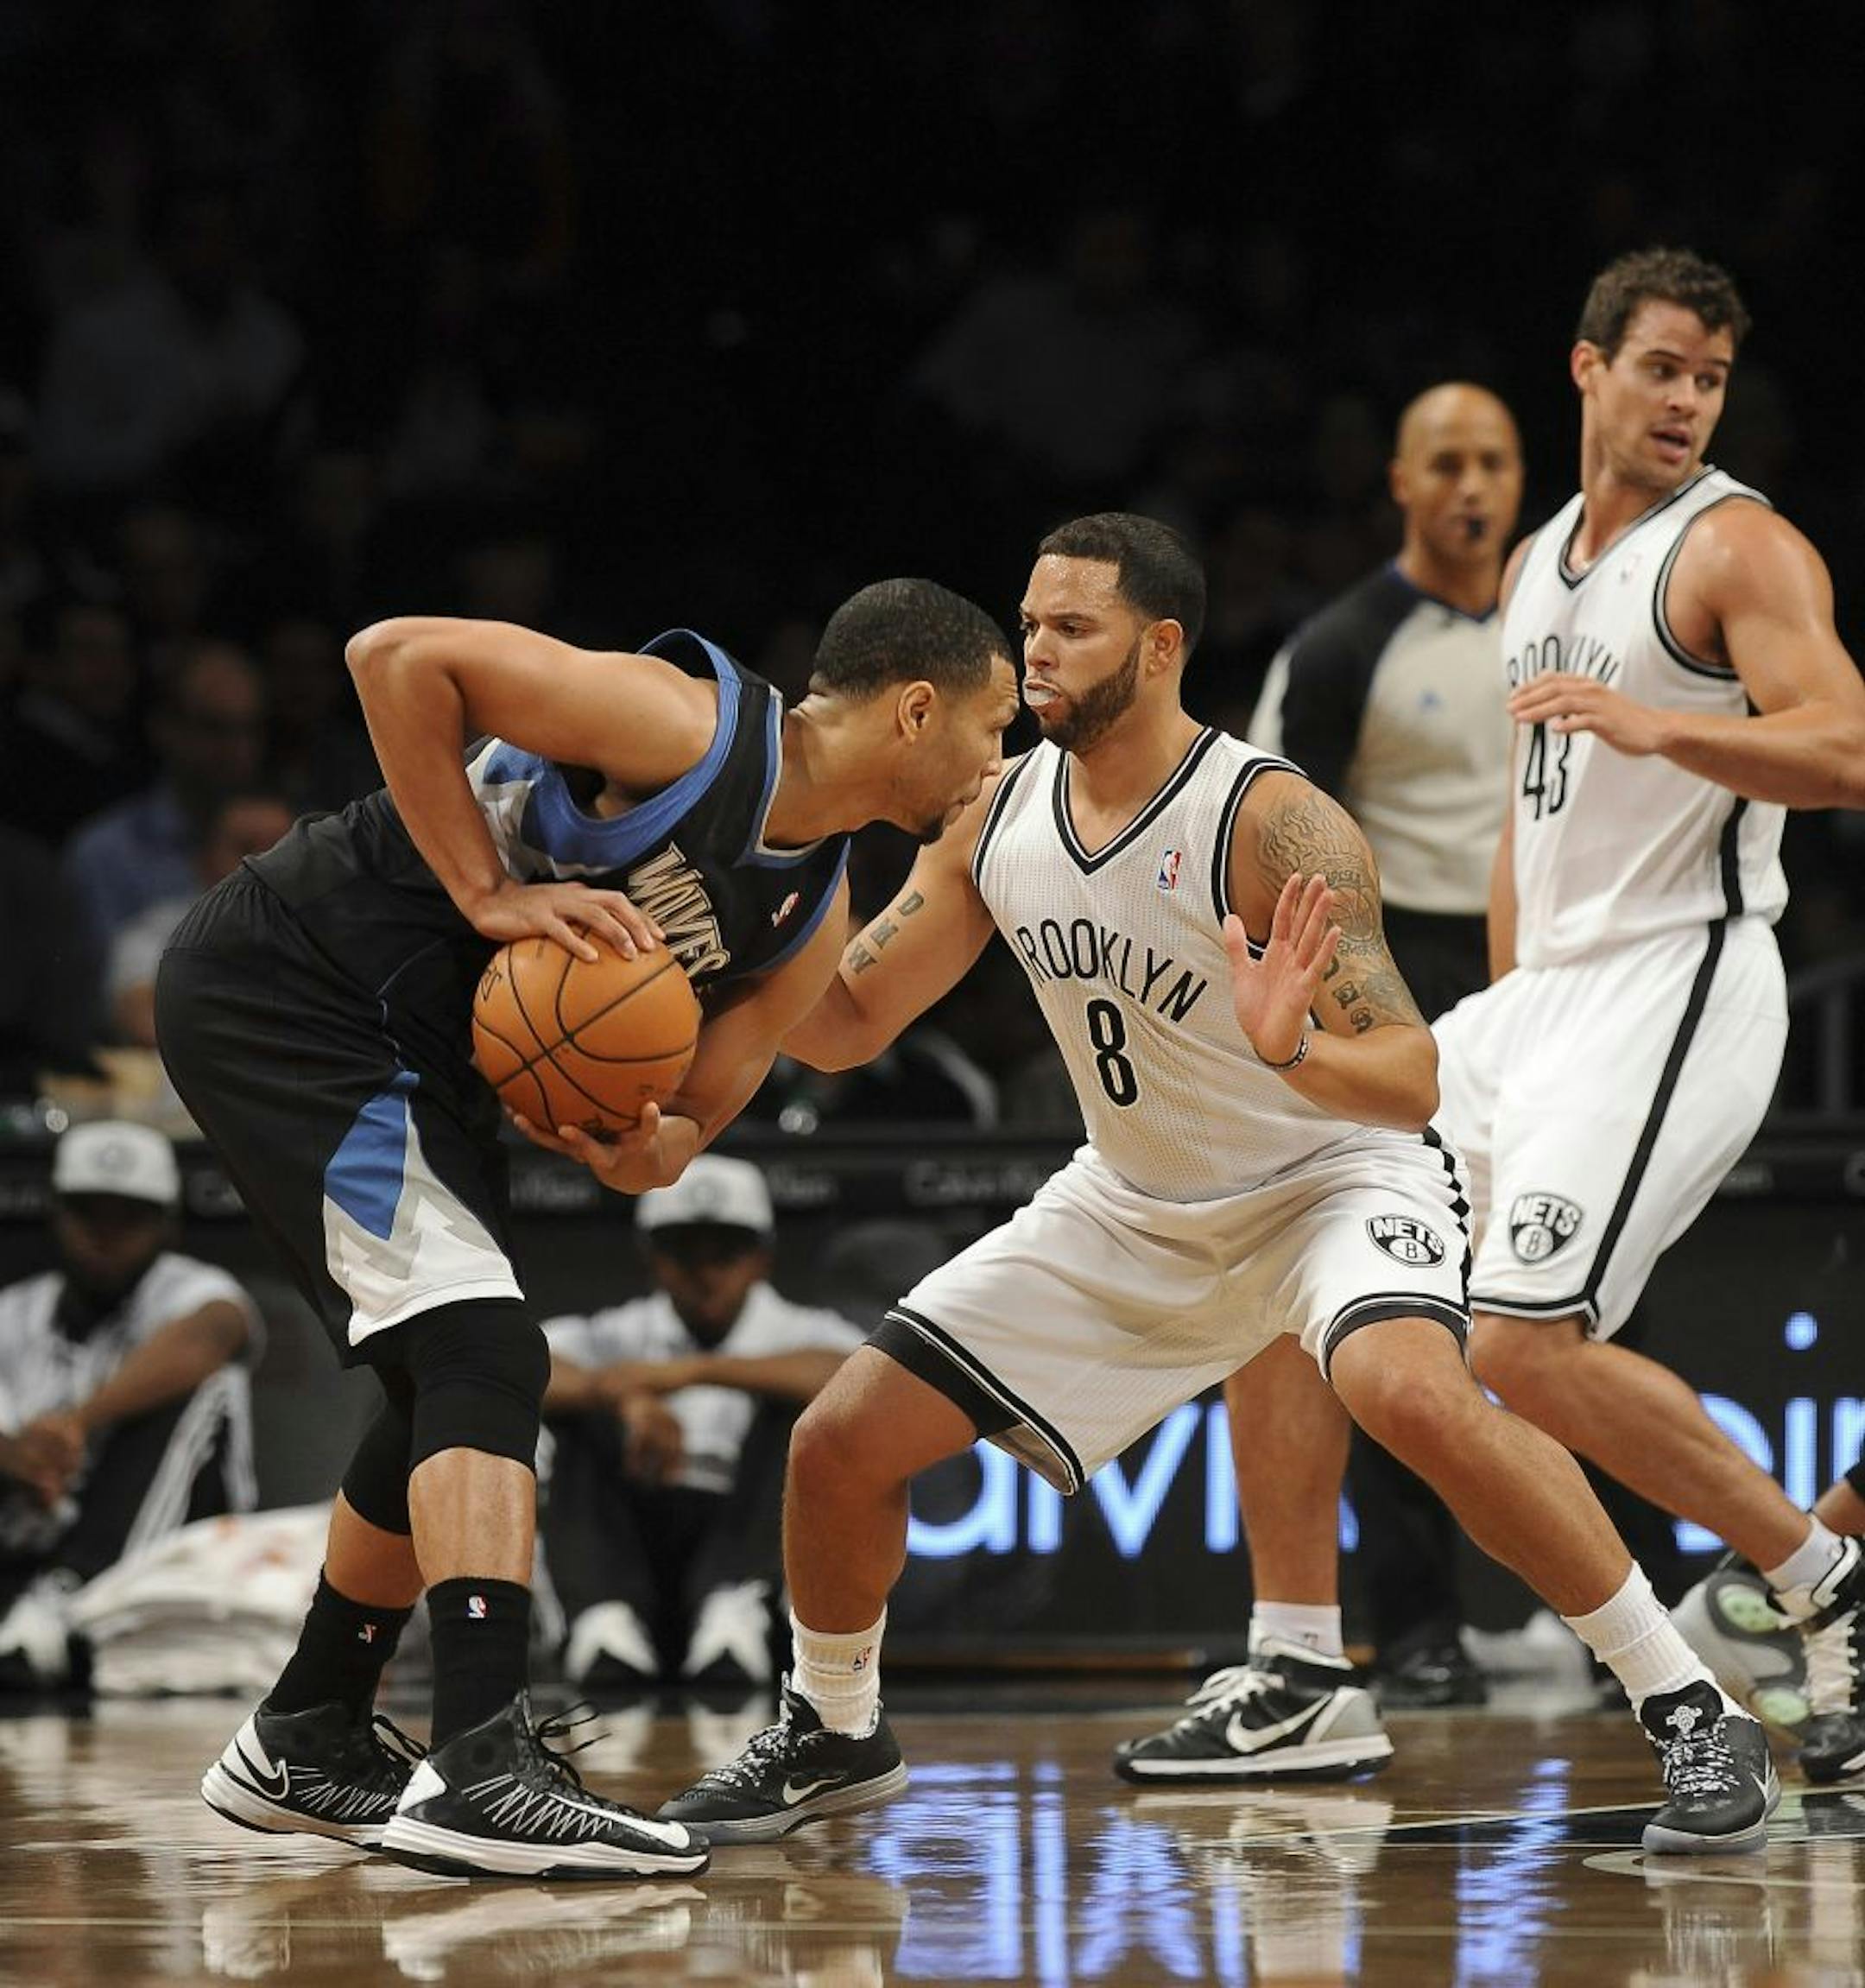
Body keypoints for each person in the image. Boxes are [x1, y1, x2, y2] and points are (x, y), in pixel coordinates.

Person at [656, 512, 1780, 1858]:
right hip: (1133, 1201)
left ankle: (1690, 1700)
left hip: (1330, 1178)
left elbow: (1413, 1076)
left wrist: (1293, 1045)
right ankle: (835, 1727)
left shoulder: (1269, 817)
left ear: (1161, 646)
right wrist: (720, 937)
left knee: (1412, 1391)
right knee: (839, 1440)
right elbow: (845, 1023)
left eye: (1074, 628)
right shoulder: (992, 811)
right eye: (1031, 624)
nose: (1036, 654)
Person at [155, 582, 1017, 1881]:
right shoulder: (689, 727)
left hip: (417, 1056)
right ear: (914, 709)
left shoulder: (815, 905)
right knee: (485, 1351)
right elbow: (397, 655)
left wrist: (649, 1141)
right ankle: (481, 1765)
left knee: (444, 1381)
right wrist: (486, 891)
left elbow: (731, 1089)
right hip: (303, 981)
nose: (998, 758)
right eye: (993, 724)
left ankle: (309, 1731)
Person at [1154, 247, 1865, 1787]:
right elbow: (1523, 826)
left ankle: (1826, 1586)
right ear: (1589, 368)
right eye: (1662, 368)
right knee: (1284, 1225)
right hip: (1537, 996)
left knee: (1529, 1347)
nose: (1686, 400)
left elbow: (1848, 747)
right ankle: (1297, 1660)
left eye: (1711, 378)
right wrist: (1499, 992)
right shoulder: (1542, 561)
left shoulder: (1738, 547)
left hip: (1677, 973)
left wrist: (1662, 727)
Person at [1245, 381, 1522, 1706]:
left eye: (1496, 462)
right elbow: (1275, 836)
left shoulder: (1568, 621)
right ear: (1401, 483)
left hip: (1558, 971)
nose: (1473, 486)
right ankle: (1418, 1630)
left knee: (1580, 1290)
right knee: (1410, 1294)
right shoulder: (1343, 643)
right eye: (1447, 463)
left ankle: (1631, 1608)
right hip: (1403, 973)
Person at [540, 1155, 863, 1690]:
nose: (706, 1273)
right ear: (652, 1258)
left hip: (746, 1547)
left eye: (725, 1252)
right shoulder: (624, 1330)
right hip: (633, 1539)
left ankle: (735, 1615)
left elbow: (857, 1375)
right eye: (684, 1252)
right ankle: (604, 1619)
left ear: (761, 1259)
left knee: (803, 1412)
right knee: (578, 1415)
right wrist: (622, 1398)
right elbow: (523, 1364)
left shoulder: (797, 1328)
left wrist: (692, 1371)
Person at [0, 1121, 257, 1687]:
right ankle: (37, 1622)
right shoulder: (16, 1311)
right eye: (88, 1213)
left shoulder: (189, 1289)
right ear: (56, 1215)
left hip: (163, 1559)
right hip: (32, 1535)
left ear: (167, 1225)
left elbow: (215, 1334)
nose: (105, 1236)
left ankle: (69, 1602)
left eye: (129, 1218)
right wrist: (18, 1455)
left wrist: (78, 1423)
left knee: (207, 1386)